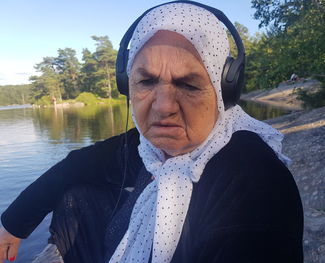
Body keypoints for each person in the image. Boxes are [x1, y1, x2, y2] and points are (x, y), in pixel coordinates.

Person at [0, 2, 304, 263]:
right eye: (147, 82)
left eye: (188, 84)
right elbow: (77, 164)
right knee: (76, 197)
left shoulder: (252, 184)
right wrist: (14, 223)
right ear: (127, 82)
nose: (163, 107)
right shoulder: (147, 146)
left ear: (224, 89)